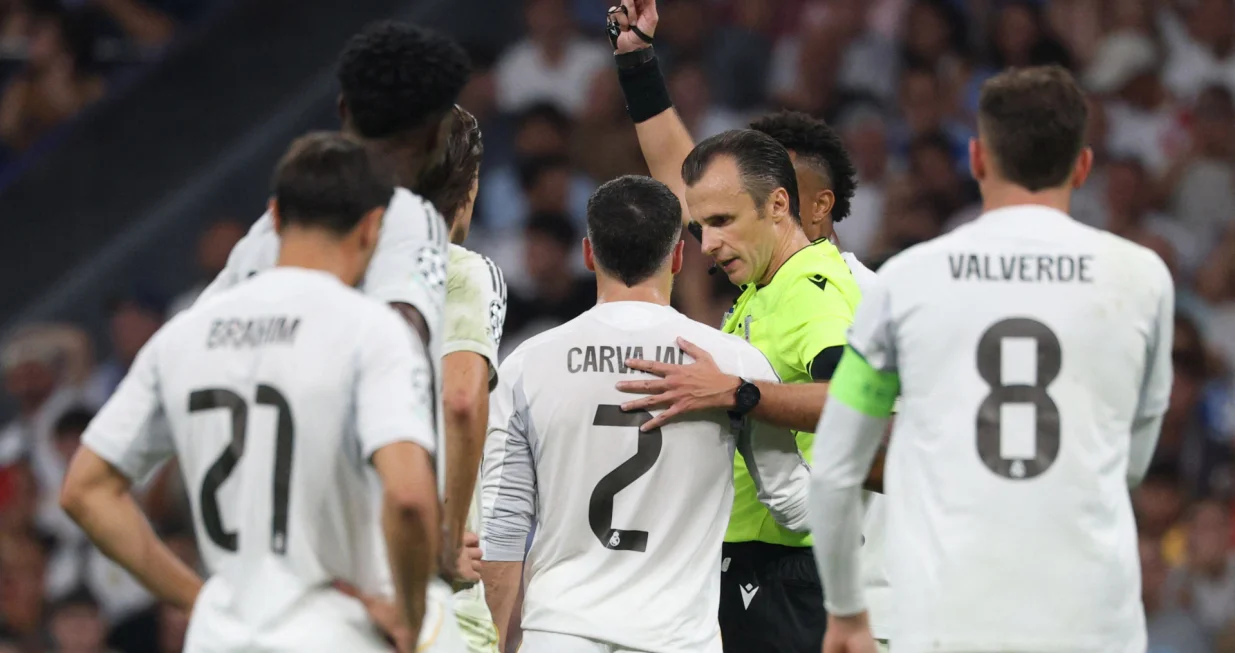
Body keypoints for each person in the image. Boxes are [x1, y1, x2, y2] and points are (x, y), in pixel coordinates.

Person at [809, 65, 1174, 653]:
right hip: (1090, 616)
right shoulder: (1143, 279)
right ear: (1083, 165)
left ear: (978, 158)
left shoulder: (905, 282)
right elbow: (1132, 462)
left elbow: (834, 468)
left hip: (946, 615)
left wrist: (847, 610)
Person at [59, 133, 445, 653]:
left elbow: (84, 490)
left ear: (276, 217)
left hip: (219, 640)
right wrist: (409, 615)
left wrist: (201, 603)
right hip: (331, 634)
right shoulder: (369, 330)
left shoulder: (184, 333)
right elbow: (408, 496)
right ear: (372, 226)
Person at [195, 21, 482, 635]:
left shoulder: (270, 231)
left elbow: (193, 348)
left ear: (343, 109)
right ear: (434, 132)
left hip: (251, 559)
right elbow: (397, 354)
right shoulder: (408, 220)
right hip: (352, 560)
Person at [606, 4, 878, 650]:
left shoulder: (821, 288)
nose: (706, 238)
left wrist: (735, 392)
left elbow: (849, 405)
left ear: (790, 203)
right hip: (757, 551)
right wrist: (637, 63)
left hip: (797, 561)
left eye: (726, 219)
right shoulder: (767, 282)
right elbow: (683, 174)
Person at [479, 175, 812, 653]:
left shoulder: (527, 364)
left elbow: (504, 528)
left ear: (589, 254)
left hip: (560, 633)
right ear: (678, 255)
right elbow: (793, 505)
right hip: (677, 638)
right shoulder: (731, 364)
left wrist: (491, 641)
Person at [417, 105, 507, 653]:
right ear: (469, 186)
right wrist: (449, 538)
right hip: (433, 586)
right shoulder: (464, 270)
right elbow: (460, 398)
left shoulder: (345, 273)